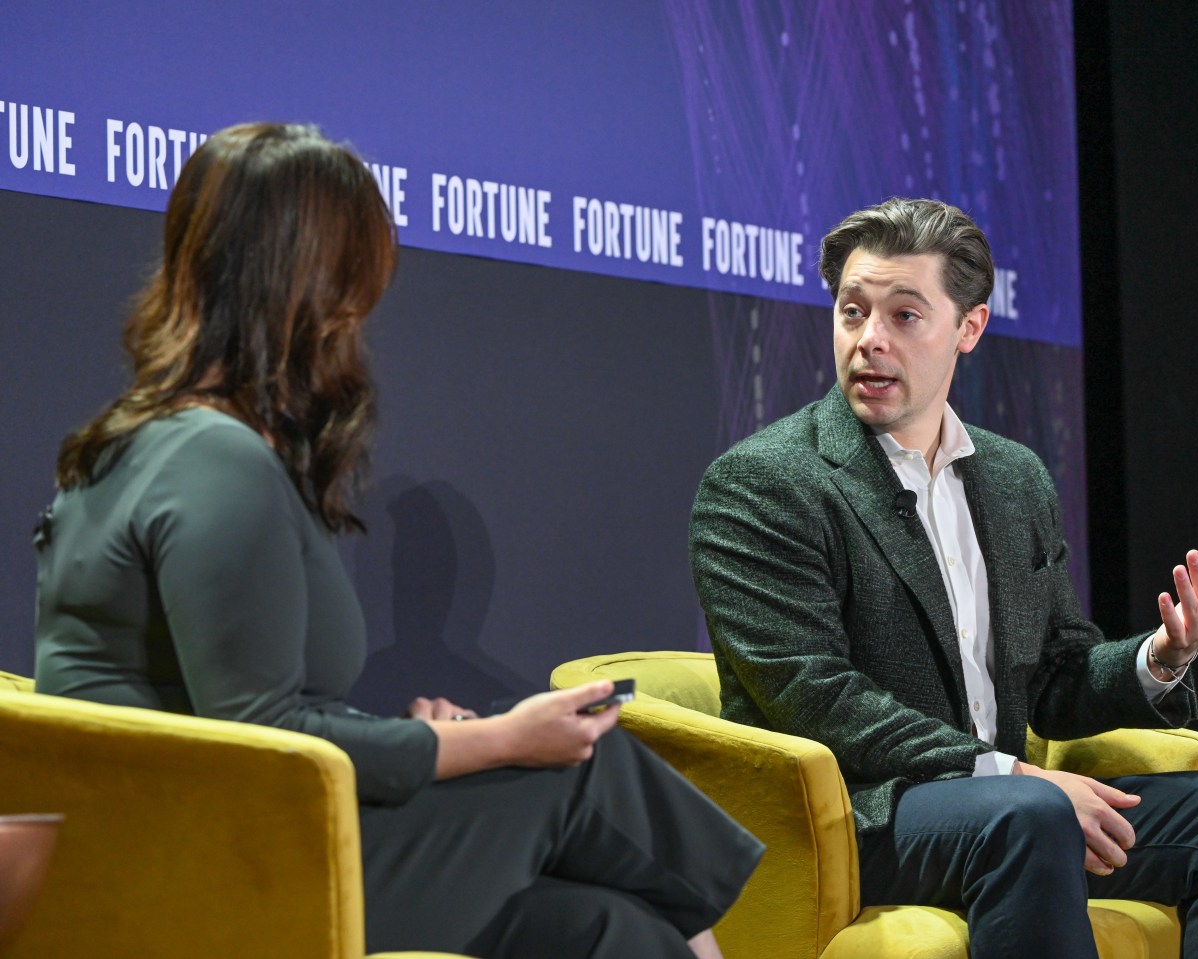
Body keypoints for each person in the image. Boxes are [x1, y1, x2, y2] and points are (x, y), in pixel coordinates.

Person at [32, 122, 761, 959]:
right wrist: (499, 738)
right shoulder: (213, 458)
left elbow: (222, 704)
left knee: (608, 929)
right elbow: (261, 735)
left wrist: (435, 742)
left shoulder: (142, 442)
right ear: (312, 283)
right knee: (588, 767)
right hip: (211, 873)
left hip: (213, 836)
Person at [689, 197, 1198, 957]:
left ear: (968, 329)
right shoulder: (763, 482)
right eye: (852, 312)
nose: (868, 341)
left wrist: (1161, 659)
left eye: (904, 316)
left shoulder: (1014, 478)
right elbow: (820, 698)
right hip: (859, 814)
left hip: (1007, 807)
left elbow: (1054, 676)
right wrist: (1012, 773)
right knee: (1029, 815)